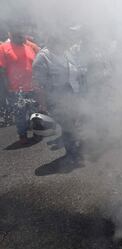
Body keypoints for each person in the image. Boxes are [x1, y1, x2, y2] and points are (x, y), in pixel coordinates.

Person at [32, 32, 86, 163]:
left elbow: (74, 70)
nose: (64, 44)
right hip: (55, 97)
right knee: (68, 126)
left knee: (73, 123)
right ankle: (72, 154)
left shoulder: (66, 53)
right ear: (52, 41)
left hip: (71, 93)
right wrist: (42, 105)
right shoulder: (43, 58)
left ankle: (74, 149)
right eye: (61, 41)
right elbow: (38, 85)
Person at [0, 22, 38, 144]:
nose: (20, 35)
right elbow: (2, 69)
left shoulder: (29, 46)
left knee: (34, 112)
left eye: (21, 33)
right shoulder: (4, 48)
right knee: (20, 114)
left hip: (32, 86)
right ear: (10, 34)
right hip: (16, 89)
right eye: (17, 33)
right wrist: (6, 89)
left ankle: (37, 132)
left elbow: (40, 57)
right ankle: (23, 135)